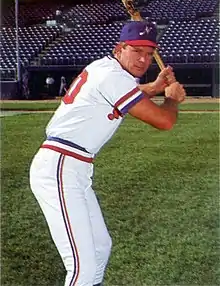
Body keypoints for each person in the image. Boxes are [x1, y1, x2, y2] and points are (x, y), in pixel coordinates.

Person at [29, 20, 186, 286]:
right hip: (60, 166)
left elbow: (126, 92)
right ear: (119, 49)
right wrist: (171, 98)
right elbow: (164, 121)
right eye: (136, 51)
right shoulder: (113, 76)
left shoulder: (104, 68)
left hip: (73, 166)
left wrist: (155, 87)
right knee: (83, 268)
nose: (143, 60)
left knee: (101, 247)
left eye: (149, 54)